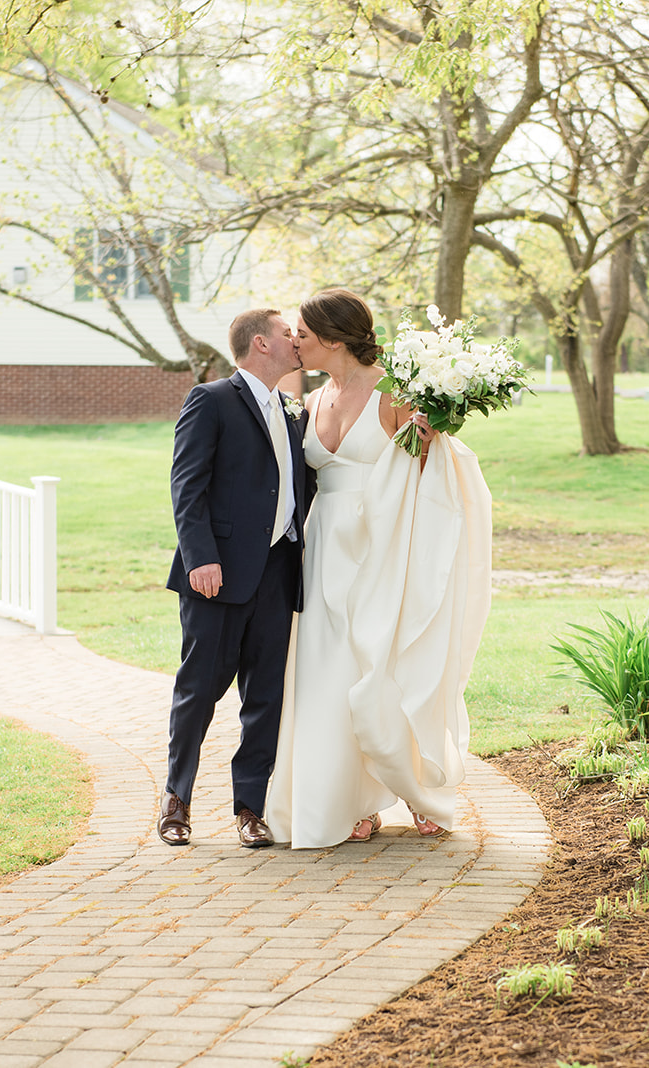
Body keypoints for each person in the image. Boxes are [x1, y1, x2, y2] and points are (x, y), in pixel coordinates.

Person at [264, 288, 493, 849]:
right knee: (325, 673)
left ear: (336, 340)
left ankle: (413, 788)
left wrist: (432, 431)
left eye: (304, 334)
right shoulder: (314, 398)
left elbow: (427, 478)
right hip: (323, 551)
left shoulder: (395, 392)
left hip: (383, 548)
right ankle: (351, 801)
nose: (295, 342)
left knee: (384, 665)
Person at [161, 308, 312, 848]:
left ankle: (251, 808)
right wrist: (201, 556)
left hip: (278, 571)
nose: (296, 341)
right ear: (260, 344)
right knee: (200, 690)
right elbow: (187, 485)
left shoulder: (295, 411)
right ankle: (176, 801)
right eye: (287, 333)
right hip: (217, 575)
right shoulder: (211, 399)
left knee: (265, 696)